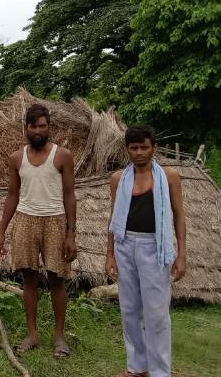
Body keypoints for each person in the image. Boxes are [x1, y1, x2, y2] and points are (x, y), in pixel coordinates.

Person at [0, 103, 77, 358]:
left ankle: (59, 337)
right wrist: (1, 230)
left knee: (57, 280)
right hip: (25, 221)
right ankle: (32, 334)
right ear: (26, 128)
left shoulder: (63, 156)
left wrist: (71, 233)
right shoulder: (16, 159)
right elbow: (12, 196)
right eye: (34, 126)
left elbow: (70, 195)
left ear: (49, 127)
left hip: (55, 220)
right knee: (29, 280)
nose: (39, 130)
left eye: (43, 125)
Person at [106, 125, 186, 377]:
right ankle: (137, 367)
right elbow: (113, 217)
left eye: (144, 147)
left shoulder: (169, 176)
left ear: (154, 148)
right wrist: (109, 254)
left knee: (157, 313)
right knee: (129, 309)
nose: (139, 152)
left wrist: (181, 254)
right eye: (134, 148)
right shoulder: (118, 179)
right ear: (127, 150)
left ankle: (160, 371)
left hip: (155, 246)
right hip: (125, 244)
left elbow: (179, 214)